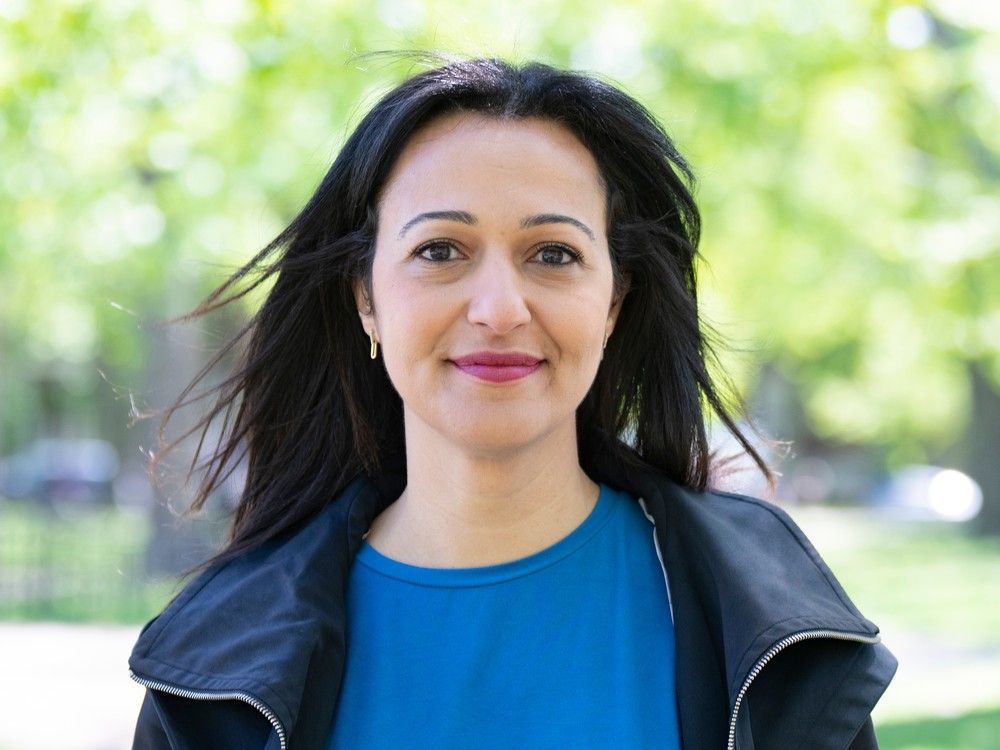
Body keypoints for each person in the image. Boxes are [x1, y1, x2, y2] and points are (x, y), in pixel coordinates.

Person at [128, 54, 897, 749]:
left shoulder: (771, 630)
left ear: (614, 301)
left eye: (553, 254)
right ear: (366, 298)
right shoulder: (217, 666)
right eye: (440, 251)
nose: (499, 307)